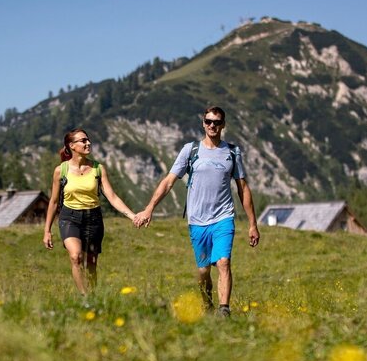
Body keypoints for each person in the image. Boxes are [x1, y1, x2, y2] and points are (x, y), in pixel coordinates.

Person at [134, 106, 259, 317]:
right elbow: (168, 182)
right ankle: (207, 305)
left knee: (223, 262)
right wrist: (149, 208)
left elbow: (243, 188)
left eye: (217, 122)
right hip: (197, 221)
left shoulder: (232, 152)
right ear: (203, 123)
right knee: (203, 271)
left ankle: (224, 311)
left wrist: (252, 224)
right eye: (208, 121)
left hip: (223, 217)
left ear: (223, 125)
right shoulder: (190, 150)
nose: (212, 125)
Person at [44, 128, 137, 297]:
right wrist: (47, 231)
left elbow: (112, 196)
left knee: (91, 264)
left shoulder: (98, 169)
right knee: (75, 257)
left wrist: (132, 215)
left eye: (88, 140)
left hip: (93, 219)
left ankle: (94, 297)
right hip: (69, 218)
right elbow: (54, 202)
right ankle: (84, 297)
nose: (88, 143)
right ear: (72, 145)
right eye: (83, 140)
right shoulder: (61, 170)